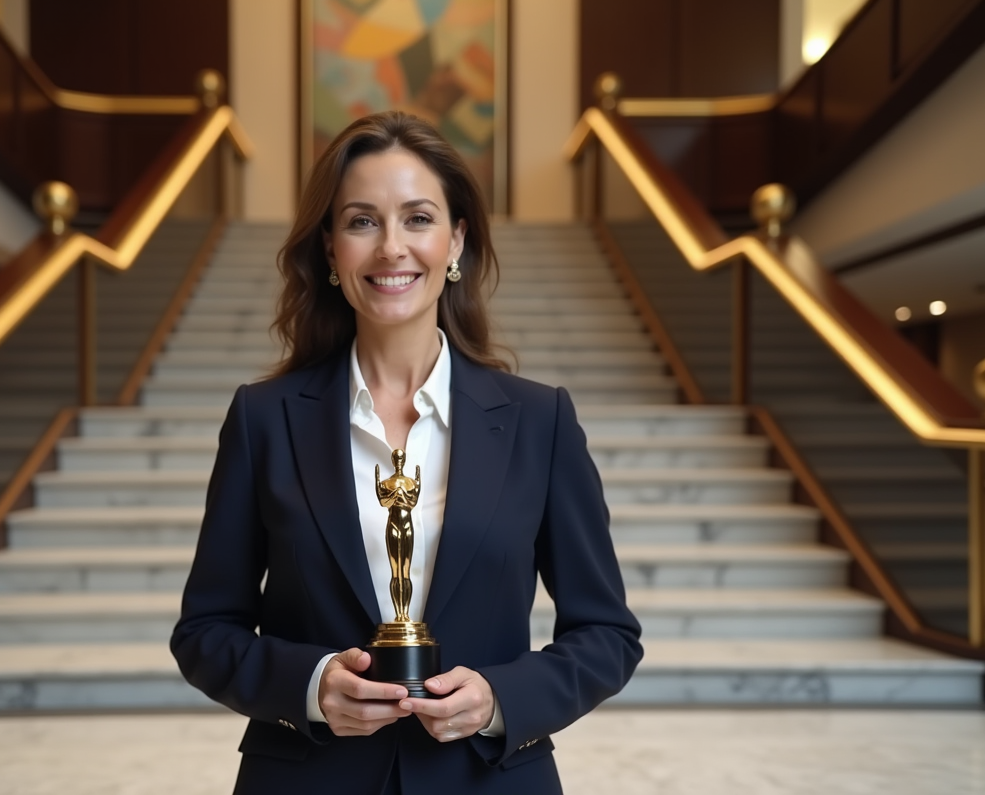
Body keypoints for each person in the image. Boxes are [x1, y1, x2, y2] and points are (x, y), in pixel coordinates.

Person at [171, 111, 642, 794]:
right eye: (362, 221)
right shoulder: (263, 418)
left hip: (487, 779)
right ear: (330, 249)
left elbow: (607, 634)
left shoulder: (540, 421)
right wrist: (309, 686)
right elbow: (206, 632)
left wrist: (500, 698)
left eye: (418, 219)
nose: (392, 247)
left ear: (456, 241)